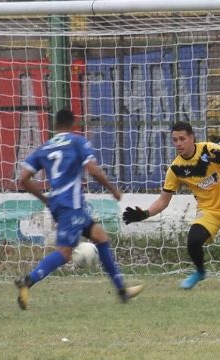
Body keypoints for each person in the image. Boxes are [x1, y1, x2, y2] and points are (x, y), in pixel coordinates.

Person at [122, 121, 220, 290]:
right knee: (193, 241)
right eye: (175, 140)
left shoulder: (207, 149)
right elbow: (163, 201)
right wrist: (145, 214)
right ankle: (200, 272)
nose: (178, 143)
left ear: (192, 138)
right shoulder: (175, 169)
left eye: (182, 139)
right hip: (209, 211)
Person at [14, 109, 143, 309]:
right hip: (70, 205)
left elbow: (22, 179)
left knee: (100, 237)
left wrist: (44, 199)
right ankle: (28, 280)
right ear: (74, 124)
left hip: (59, 203)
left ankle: (121, 290)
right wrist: (112, 189)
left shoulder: (45, 147)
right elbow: (92, 170)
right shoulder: (77, 141)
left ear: (55, 126)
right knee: (65, 253)